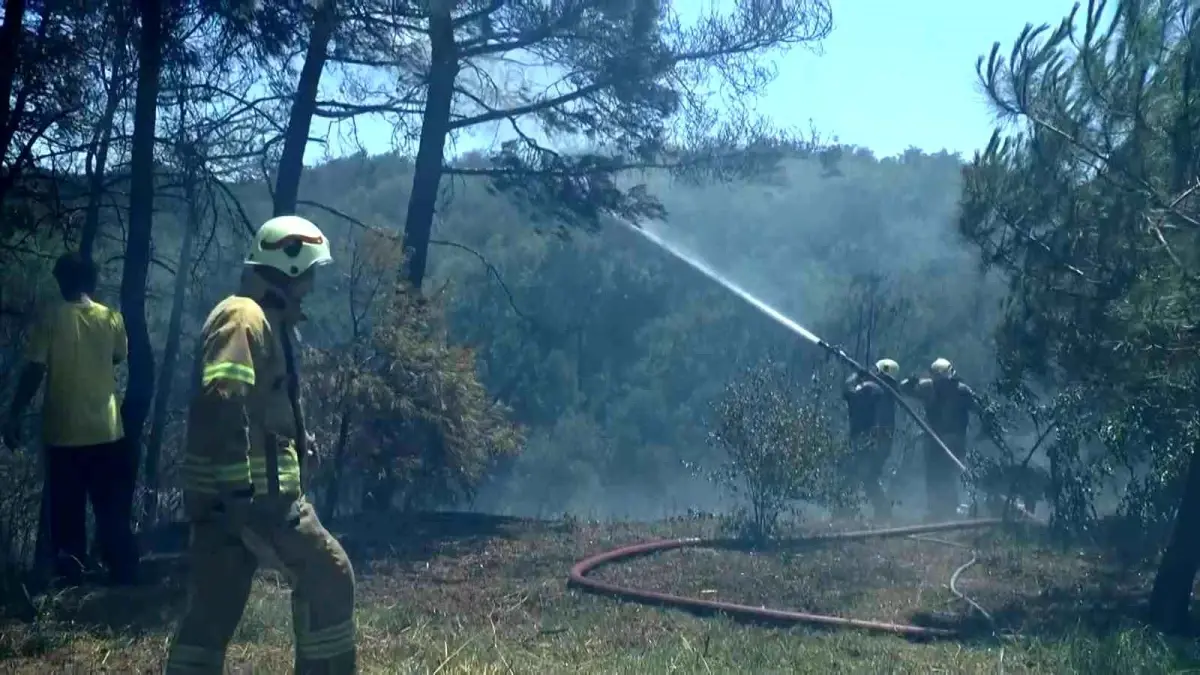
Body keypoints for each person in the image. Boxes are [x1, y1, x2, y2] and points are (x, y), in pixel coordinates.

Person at [165, 215, 356, 675]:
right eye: (310, 270)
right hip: (260, 501)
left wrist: (297, 440)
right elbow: (224, 398)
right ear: (290, 270)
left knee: (214, 608)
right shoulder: (244, 317)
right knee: (329, 577)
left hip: (232, 501)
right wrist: (239, 495)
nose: (313, 282)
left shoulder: (262, 321)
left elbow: (255, 403)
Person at [2, 252, 141, 586]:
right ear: (91, 282)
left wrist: (14, 413)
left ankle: (72, 582)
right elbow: (118, 356)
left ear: (62, 280)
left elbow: (35, 369)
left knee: (68, 514)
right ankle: (124, 577)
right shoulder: (112, 318)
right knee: (110, 510)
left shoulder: (51, 318)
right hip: (108, 431)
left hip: (64, 433)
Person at [899, 358, 979, 521]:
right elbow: (903, 388)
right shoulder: (936, 388)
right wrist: (912, 381)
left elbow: (903, 387)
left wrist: (911, 380)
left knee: (943, 474)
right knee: (938, 474)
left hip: (946, 440)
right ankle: (940, 509)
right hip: (940, 439)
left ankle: (946, 509)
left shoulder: (935, 387)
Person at [841, 358, 901, 520]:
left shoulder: (872, 387)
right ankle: (883, 512)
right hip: (881, 444)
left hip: (868, 441)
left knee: (852, 474)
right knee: (869, 478)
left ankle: (845, 512)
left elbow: (848, 393)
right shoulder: (889, 392)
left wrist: (855, 375)